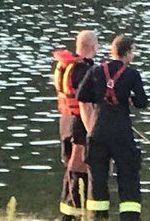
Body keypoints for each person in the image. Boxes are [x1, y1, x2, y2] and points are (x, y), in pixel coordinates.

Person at [77, 34, 148, 220]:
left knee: (98, 179)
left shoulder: (96, 70)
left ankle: (97, 217)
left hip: (99, 130)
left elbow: (81, 95)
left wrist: (101, 99)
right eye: (133, 51)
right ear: (128, 52)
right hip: (121, 132)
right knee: (128, 177)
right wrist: (128, 99)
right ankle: (129, 218)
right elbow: (142, 102)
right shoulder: (132, 74)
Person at [53, 30, 99, 220]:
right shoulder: (84, 70)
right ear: (94, 47)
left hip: (65, 122)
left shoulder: (66, 66)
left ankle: (71, 212)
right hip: (79, 124)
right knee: (79, 168)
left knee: (71, 167)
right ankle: (73, 212)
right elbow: (85, 103)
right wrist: (93, 130)